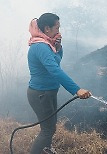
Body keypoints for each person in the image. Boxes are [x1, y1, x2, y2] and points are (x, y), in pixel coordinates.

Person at [27, 13, 92, 154]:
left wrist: (58, 46)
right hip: (40, 94)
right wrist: (77, 89)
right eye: (57, 28)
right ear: (47, 28)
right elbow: (55, 71)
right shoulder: (40, 47)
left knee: (51, 127)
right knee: (47, 129)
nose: (59, 31)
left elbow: (57, 59)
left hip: (48, 92)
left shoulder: (47, 44)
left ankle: (46, 150)